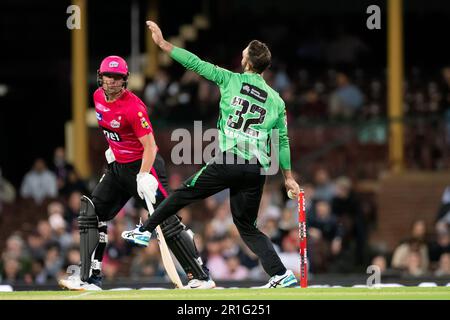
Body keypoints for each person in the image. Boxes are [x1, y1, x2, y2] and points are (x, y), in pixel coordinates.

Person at [123, 21, 301, 288]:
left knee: (184, 193)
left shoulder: (230, 79)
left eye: (243, 53)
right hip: (256, 169)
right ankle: (280, 273)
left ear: (248, 62)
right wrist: (288, 177)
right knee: (247, 226)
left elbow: (195, 64)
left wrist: (164, 45)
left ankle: (144, 231)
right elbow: (283, 141)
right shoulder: (276, 100)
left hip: (230, 160)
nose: (241, 56)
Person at [59, 55, 214, 290]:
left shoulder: (134, 107)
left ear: (125, 80)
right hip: (118, 167)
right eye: (108, 76)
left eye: (118, 78)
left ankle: (200, 276)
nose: (112, 81)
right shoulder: (97, 97)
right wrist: (113, 150)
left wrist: (143, 175)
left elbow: (150, 146)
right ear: (100, 77)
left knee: (167, 222)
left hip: (144, 166)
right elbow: (112, 131)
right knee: (91, 213)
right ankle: (89, 278)